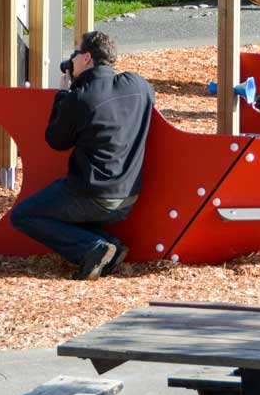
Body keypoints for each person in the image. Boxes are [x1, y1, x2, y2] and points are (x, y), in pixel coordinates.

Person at [9, 30, 154, 280]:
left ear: (87, 58)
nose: (71, 60)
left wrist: (63, 95)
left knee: (23, 215)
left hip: (92, 195)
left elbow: (56, 141)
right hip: (128, 196)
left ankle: (93, 248)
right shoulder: (138, 85)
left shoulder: (80, 98)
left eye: (75, 54)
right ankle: (111, 247)